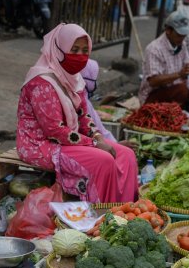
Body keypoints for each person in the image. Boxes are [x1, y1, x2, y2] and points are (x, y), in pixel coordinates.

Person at [17, 24, 138, 202]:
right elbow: (55, 131)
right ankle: (101, 216)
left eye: (84, 50)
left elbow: (83, 116)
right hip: (40, 145)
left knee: (126, 155)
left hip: (69, 141)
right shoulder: (41, 83)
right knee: (103, 160)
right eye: (74, 50)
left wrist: (97, 137)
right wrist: (95, 143)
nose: (80, 56)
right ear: (59, 49)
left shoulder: (74, 78)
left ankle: (124, 210)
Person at [139, 11, 189, 105]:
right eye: (179, 35)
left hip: (171, 90)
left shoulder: (182, 44)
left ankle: (176, 107)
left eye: (184, 35)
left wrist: (188, 71)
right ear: (168, 31)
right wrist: (179, 74)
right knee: (182, 90)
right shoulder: (154, 49)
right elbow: (153, 81)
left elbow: (188, 64)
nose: (182, 38)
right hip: (153, 96)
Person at [79, 59, 116, 142]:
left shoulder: (84, 97)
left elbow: (101, 130)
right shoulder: (81, 100)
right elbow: (96, 131)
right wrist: (115, 144)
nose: (95, 82)